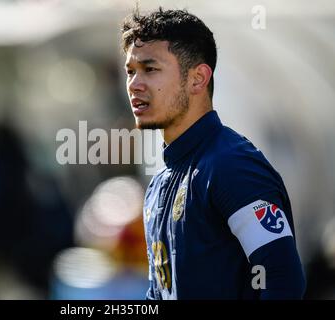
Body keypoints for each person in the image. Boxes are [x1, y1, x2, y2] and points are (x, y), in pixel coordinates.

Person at [121, 8, 306, 299]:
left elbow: (282, 278)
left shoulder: (232, 166)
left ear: (197, 79)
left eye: (150, 69)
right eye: (130, 72)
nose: (134, 85)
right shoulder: (159, 183)